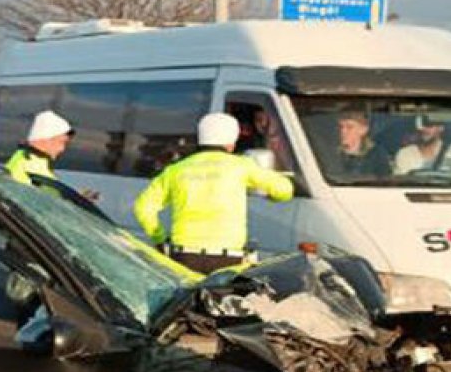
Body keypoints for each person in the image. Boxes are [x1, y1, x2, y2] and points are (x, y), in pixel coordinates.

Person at [133, 113, 294, 275]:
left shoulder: (176, 170)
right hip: (228, 259)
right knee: (225, 298)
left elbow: (143, 207)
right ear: (231, 142)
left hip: (183, 257)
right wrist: (272, 195)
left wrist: (159, 239)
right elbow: (285, 190)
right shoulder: (241, 166)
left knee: (186, 300)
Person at [5, 110, 73, 186]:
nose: (62, 149)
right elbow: (52, 195)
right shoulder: (36, 168)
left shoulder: (21, 156)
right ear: (46, 139)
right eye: (61, 142)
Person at [334, 111, 391, 176]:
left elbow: (385, 181)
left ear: (363, 130)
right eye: (341, 127)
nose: (343, 131)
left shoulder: (376, 155)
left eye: (349, 127)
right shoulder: (332, 153)